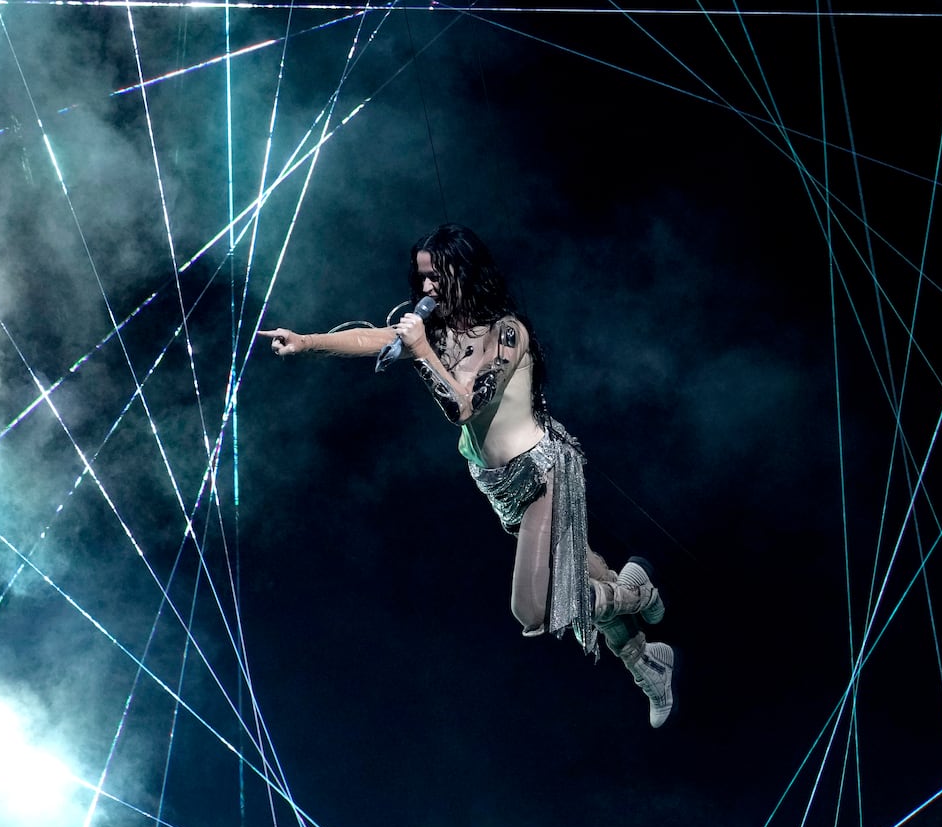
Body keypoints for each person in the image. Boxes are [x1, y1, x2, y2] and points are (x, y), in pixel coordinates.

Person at [258, 223, 676, 727]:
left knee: (534, 608)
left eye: (435, 276)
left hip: (543, 472)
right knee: (586, 571)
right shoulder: (435, 333)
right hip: (498, 485)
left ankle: (637, 592)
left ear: (463, 270)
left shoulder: (507, 333)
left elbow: (466, 407)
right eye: (422, 279)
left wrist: (422, 353)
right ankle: (647, 662)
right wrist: (305, 341)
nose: (427, 289)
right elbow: (372, 336)